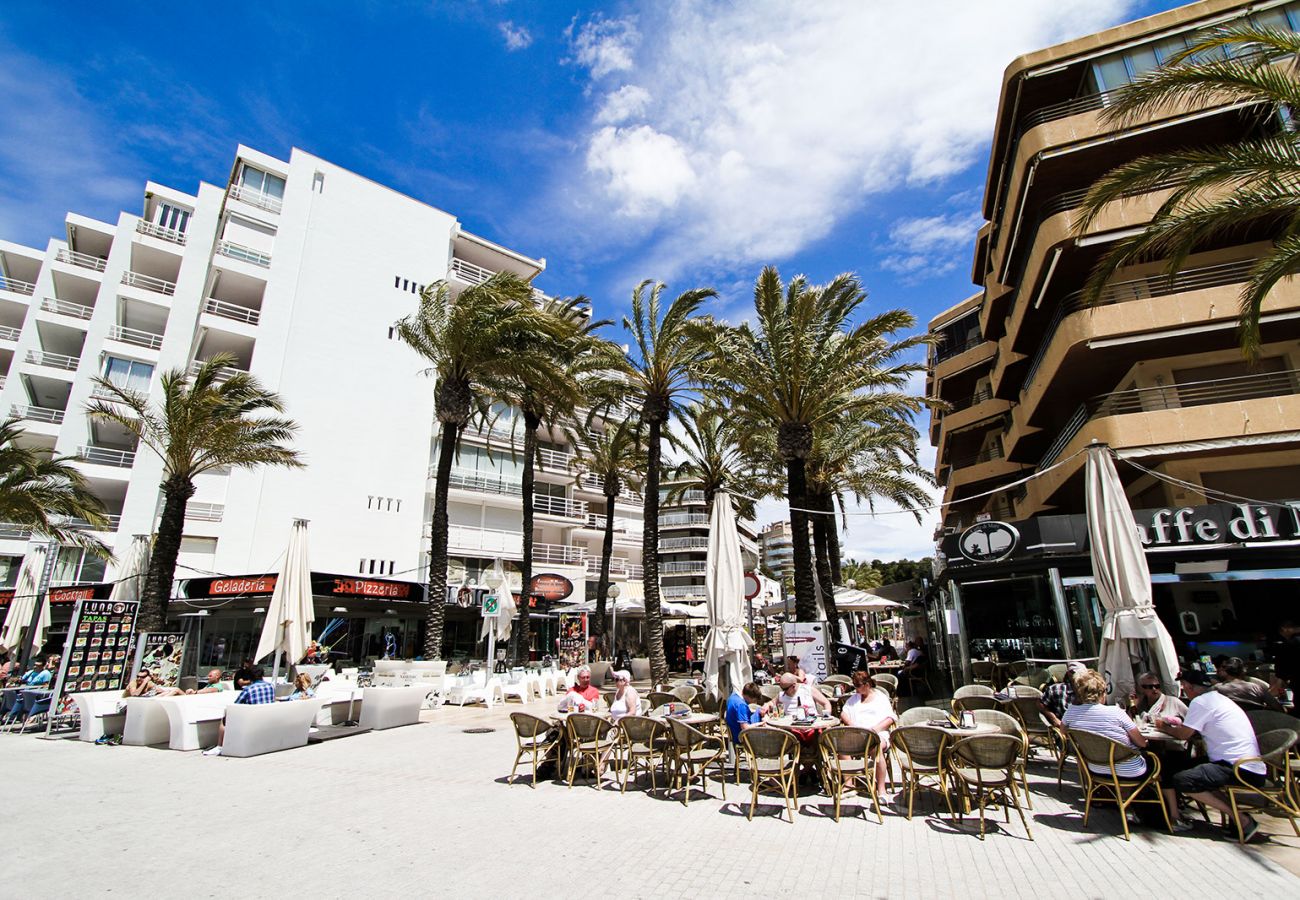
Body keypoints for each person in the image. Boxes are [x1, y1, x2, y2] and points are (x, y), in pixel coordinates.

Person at [1156, 669, 1267, 840]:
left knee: (1183, 780)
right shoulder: (1218, 699)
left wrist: (1162, 726)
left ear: (1190, 686)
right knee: (1170, 766)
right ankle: (1175, 817)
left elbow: (1184, 735)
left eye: (1184, 687)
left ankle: (1242, 819)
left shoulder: (1201, 702)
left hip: (1238, 767)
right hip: (1245, 763)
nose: (1184, 690)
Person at [1061, 670, 1149, 780]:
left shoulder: (1071, 712)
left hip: (1096, 768)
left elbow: (1063, 732)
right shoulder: (1116, 712)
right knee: (1161, 759)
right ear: (1102, 692)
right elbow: (1141, 743)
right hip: (1130, 771)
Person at [840, 670, 896, 795]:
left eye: (858, 686)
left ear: (867, 684)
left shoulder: (880, 697)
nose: (856, 689)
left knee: (875, 748)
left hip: (877, 732)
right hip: (857, 733)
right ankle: (849, 784)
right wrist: (850, 723)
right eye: (854, 685)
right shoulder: (854, 698)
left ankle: (881, 788)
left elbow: (891, 718)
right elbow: (843, 713)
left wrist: (874, 729)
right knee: (842, 745)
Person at [205, 666, 275, 756]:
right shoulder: (270, 686)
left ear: (250, 677)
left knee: (226, 716)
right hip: (268, 717)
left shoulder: (249, 689)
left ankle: (220, 746)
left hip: (252, 719)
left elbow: (236, 705)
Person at [1215, 657, 1284, 712]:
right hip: (1256, 724)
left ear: (1226, 672)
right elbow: (1278, 708)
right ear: (1243, 671)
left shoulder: (1216, 689)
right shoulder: (1256, 688)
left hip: (1228, 724)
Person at [1040, 660, 1085, 727]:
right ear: (1069, 674)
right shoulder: (1056, 689)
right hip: (1065, 729)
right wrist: (1053, 718)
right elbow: (1040, 704)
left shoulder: (1089, 690)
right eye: (1075, 674)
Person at [764, 673, 830, 718]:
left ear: (794, 685)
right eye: (781, 688)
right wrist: (766, 706)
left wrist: (826, 716)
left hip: (810, 725)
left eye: (785, 689)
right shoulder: (782, 695)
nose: (783, 691)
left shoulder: (808, 689)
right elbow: (771, 703)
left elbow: (826, 703)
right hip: (790, 728)